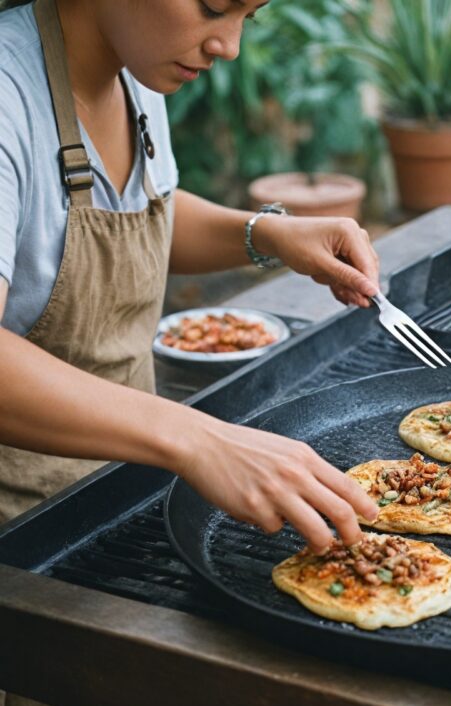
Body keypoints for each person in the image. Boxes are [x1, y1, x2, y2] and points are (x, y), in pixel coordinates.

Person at [0, 0, 381, 554]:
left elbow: (137, 215)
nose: (228, 46)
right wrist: (196, 438)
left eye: (246, 18)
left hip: (116, 492)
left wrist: (268, 234)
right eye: (213, 7)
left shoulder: (136, 66)